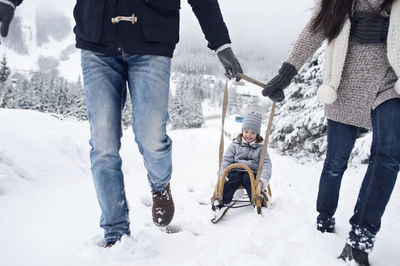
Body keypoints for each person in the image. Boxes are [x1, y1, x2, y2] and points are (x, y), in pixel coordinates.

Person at [1, 0, 243, 247]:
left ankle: (160, 187)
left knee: (151, 136)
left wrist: (221, 43)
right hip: (97, 41)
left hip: (152, 41)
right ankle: (115, 231)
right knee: (103, 144)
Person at [262, 0, 399, 265]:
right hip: (344, 89)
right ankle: (325, 216)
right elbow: (312, 32)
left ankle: (360, 238)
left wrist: (390, 30)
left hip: (389, 87)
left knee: (389, 157)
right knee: (336, 164)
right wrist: (285, 75)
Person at [214, 111, 272, 217]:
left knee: (249, 180)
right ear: (242, 131)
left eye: (253, 133)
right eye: (246, 131)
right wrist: (223, 174)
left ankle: (255, 201)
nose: (249, 135)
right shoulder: (235, 145)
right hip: (235, 170)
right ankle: (223, 202)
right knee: (233, 180)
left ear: (257, 134)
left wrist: (263, 179)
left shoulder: (260, 148)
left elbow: (266, 164)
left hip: (252, 172)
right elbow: (226, 160)